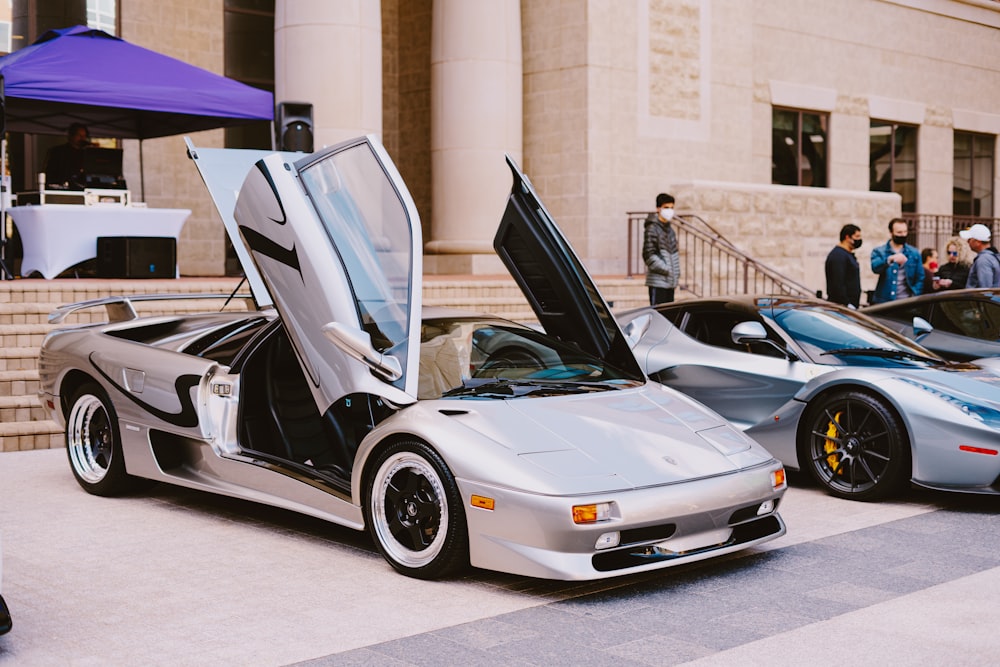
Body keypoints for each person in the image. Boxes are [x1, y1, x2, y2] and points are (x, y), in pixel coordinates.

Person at [871, 217, 923, 303]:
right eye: (899, 232)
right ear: (891, 233)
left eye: (905, 232)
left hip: (907, 301)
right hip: (885, 301)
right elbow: (875, 268)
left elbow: (920, 277)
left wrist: (915, 295)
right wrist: (889, 259)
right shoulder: (879, 251)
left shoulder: (914, 253)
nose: (903, 235)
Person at [642, 193, 681, 305]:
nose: (669, 211)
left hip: (670, 282)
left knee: (668, 317)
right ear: (658, 209)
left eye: (672, 208)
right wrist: (667, 269)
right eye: (666, 207)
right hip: (658, 282)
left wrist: (675, 273)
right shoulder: (652, 229)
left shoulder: (670, 231)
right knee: (658, 316)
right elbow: (648, 255)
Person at [824, 224, 862, 308]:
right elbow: (837, 282)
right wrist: (846, 303)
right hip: (842, 306)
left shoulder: (846, 254)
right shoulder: (838, 256)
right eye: (857, 236)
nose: (859, 239)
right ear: (847, 237)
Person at [44, 123, 91, 188]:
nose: (82, 138)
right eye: (79, 135)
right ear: (71, 135)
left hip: (80, 188)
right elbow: (51, 172)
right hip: (60, 187)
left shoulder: (86, 153)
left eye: (84, 136)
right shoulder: (58, 151)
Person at [959, 223, 1000, 288]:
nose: (967, 242)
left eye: (969, 239)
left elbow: (985, 289)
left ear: (978, 242)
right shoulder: (993, 257)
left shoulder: (983, 260)